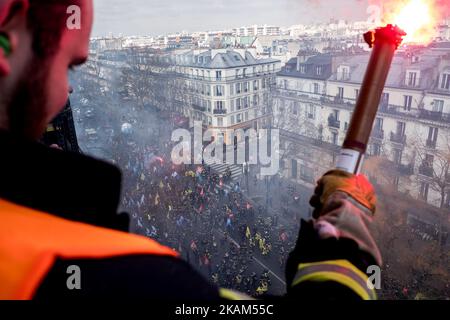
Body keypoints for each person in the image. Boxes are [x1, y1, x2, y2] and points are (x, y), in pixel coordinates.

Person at [0, 0, 381, 301]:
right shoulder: (110, 269)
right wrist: (342, 260)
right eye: (67, 66)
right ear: (8, 40)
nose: (69, 90)